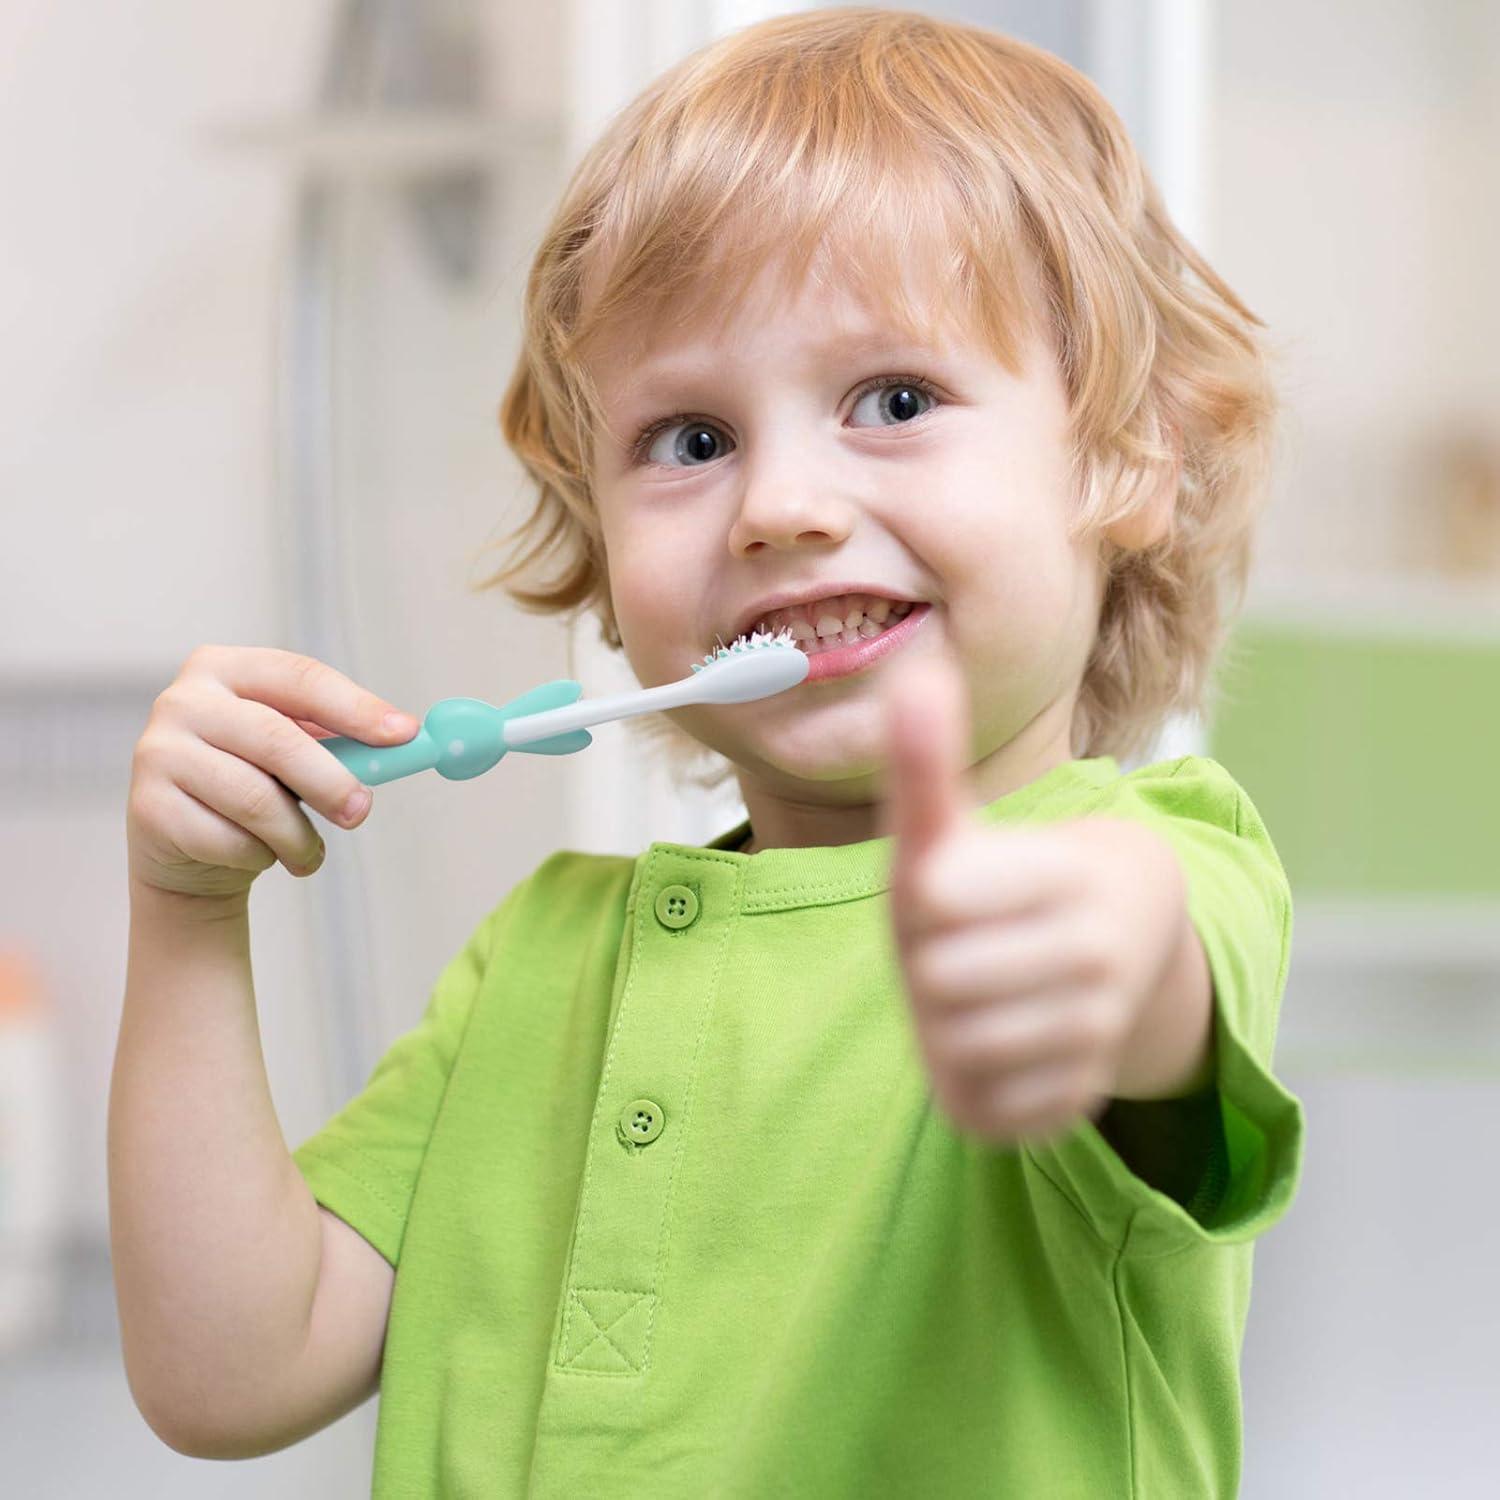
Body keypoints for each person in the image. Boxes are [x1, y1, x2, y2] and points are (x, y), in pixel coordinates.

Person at [109, 8, 1303, 1496]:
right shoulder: (534, 963)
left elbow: (1149, 978)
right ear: (605, 560)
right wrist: (185, 916)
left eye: (897, 400)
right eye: (688, 439)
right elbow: (229, 1372)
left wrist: (1108, 948)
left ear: (1129, 458)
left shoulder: (1161, 867)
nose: (781, 504)